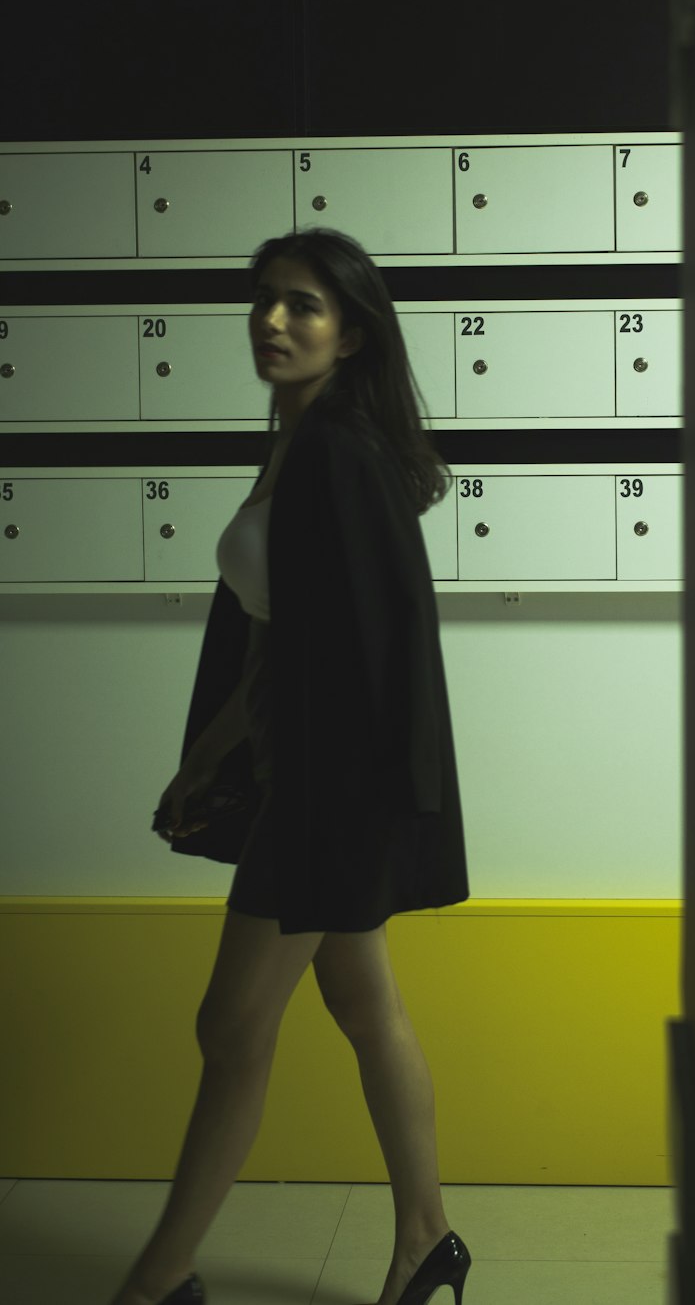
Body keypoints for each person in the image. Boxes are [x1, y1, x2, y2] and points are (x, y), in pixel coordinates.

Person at [111, 228, 472, 1305]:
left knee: (230, 1027)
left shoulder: (337, 456)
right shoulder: (295, 439)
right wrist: (211, 756)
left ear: (351, 334)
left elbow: (374, 657)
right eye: (264, 300)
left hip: (328, 804)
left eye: (303, 305)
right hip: (299, 788)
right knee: (366, 1011)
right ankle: (430, 1244)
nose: (273, 321)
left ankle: (159, 1278)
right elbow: (279, 640)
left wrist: (346, 819)